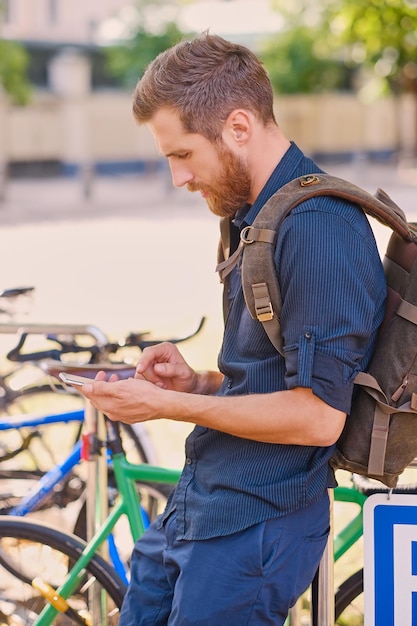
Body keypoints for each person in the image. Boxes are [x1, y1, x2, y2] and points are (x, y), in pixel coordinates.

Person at [80, 32, 386, 625]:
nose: (178, 178)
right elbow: (270, 379)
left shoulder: (319, 228)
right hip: (202, 506)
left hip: (256, 527)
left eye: (182, 154)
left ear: (239, 127)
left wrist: (169, 410)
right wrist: (192, 384)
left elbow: (318, 415)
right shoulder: (256, 215)